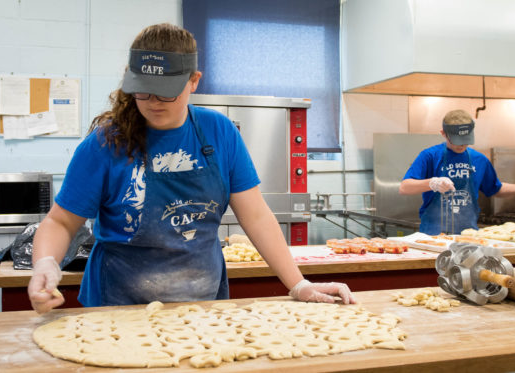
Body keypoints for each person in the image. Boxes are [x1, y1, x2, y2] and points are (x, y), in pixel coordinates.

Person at [27, 23, 355, 314]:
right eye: (142, 89)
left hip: (202, 308)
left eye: (166, 92)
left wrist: (298, 284)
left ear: (193, 81)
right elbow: (61, 221)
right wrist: (45, 263)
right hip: (117, 307)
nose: (153, 101)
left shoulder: (219, 132)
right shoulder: (106, 144)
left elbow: (255, 216)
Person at [399, 109, 515, 235]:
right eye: (457, 141)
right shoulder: (430, 156)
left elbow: (494, 188)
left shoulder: (479, 159)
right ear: (443, 134)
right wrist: (433, 183)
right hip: (433, 235)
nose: (462, 145)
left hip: (469, 234)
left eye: (465, 140)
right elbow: (405, 187)